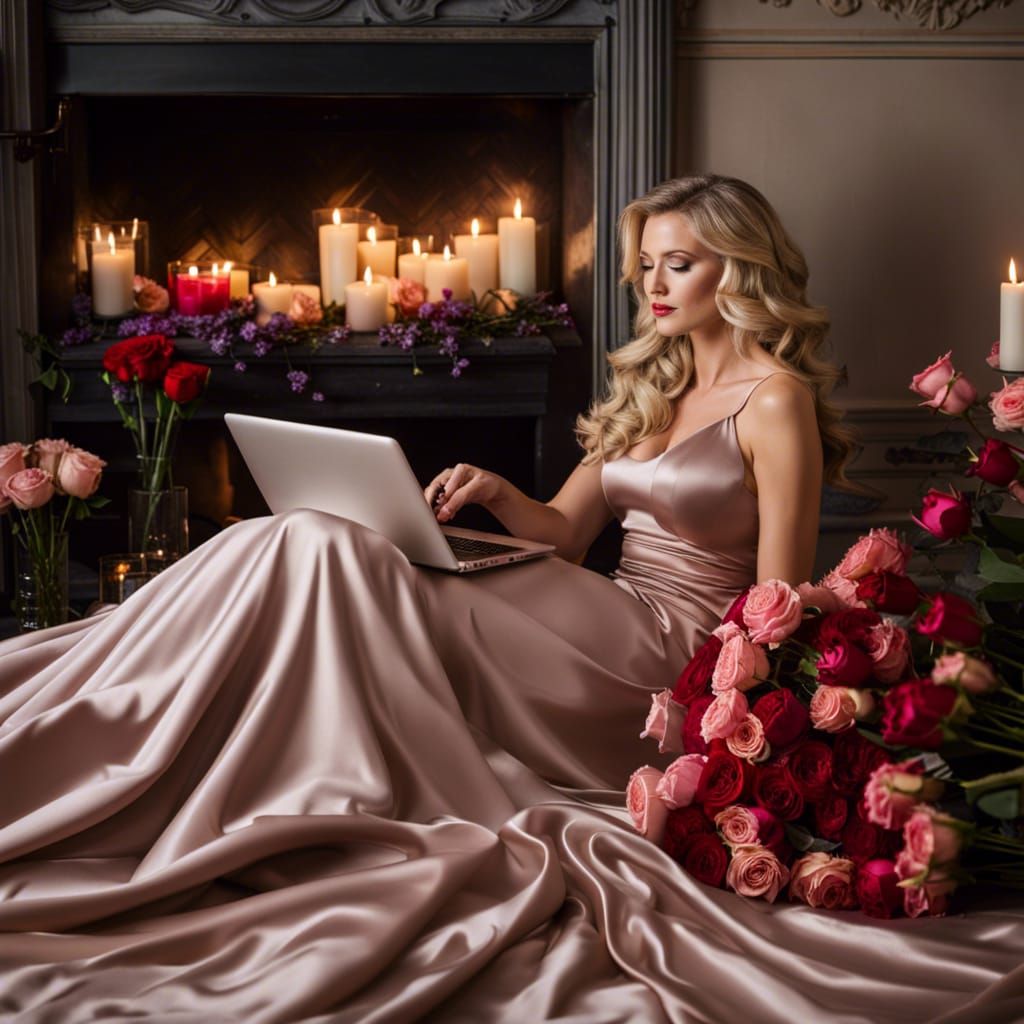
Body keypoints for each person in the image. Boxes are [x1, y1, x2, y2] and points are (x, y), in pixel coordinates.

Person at [0, 175, 1020, 1022]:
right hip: (599, 604)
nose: (653, 283)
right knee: (301, 540)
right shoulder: (656, 385)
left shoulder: (774, 398)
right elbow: (566, 533)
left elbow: (777, 593)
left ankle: (141, 732)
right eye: (647, 263)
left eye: (680, 262)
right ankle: (127, 707)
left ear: (738, 269)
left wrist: (728, 704)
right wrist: (497, 499)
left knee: (330, 553)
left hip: (672, 660)